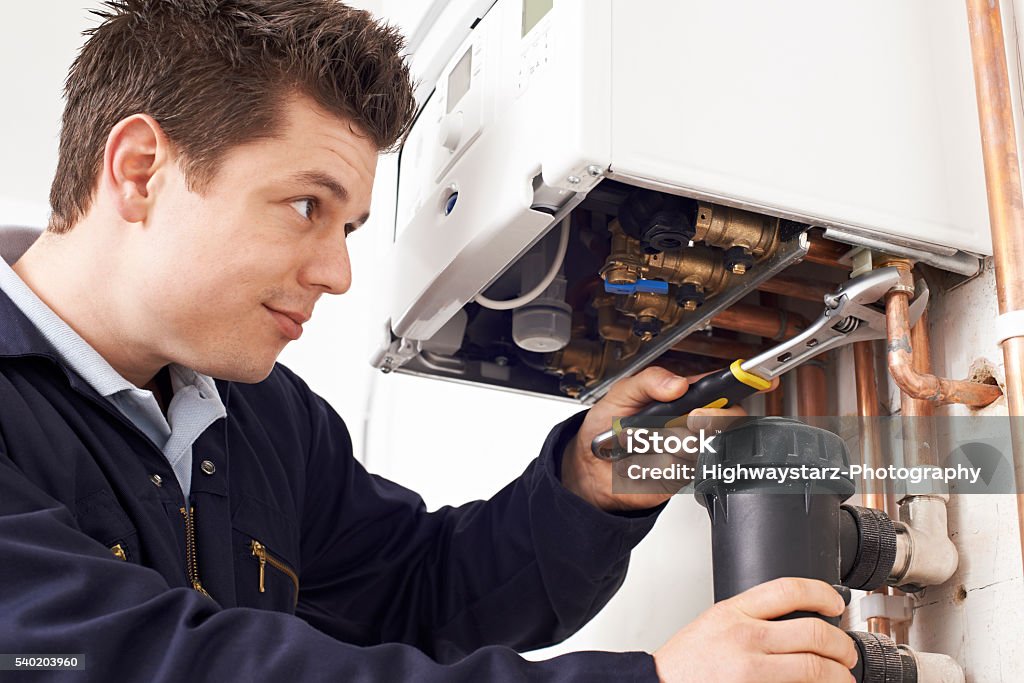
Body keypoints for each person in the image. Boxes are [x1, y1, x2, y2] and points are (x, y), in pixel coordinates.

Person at [0, 1, 857, 680]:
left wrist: (589, 485)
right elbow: (142, 661)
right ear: (141, 168)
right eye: (307, 206)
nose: (336, 273)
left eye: (350, 226)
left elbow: (421, 591)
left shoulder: (259, 415)